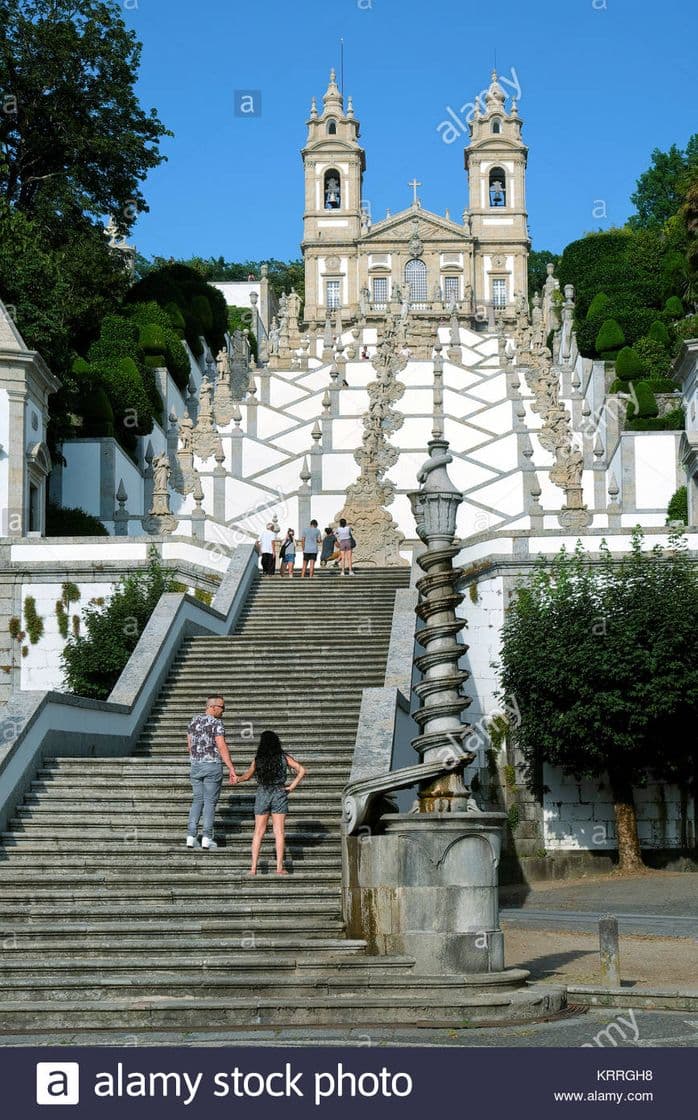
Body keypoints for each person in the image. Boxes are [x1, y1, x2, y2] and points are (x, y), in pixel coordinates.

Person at [237, 730, 305, 875]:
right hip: (280, 793)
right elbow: (302, 770)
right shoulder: (284, 757)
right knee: (279, 832)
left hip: (262, 793)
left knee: (258, 832)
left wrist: (237, 779)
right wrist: (292, 786)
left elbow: (248, 776)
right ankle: (279, 868)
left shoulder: (258, 759)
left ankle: (253, 868)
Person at [186, 695, 238, 850]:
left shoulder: (193, 721)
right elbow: (221, 746)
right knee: (209, 802)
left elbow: (189, 745)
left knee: (197, 801)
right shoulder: (217, 723)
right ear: (213, 707)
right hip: (212, 766)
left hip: (195, 765)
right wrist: (231, 767)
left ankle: (191, 836)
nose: (224, 710)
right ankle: (207, 837)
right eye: (222, 707)